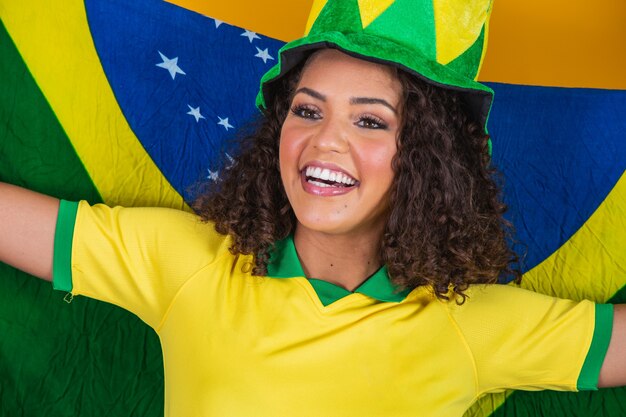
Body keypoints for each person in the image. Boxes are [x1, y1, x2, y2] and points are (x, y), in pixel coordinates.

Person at [1, 1, 625, 416]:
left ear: (426, 158)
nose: (326, 140)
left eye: (370, 121)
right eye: (308, 110)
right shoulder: (189, 264)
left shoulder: (471, 322)